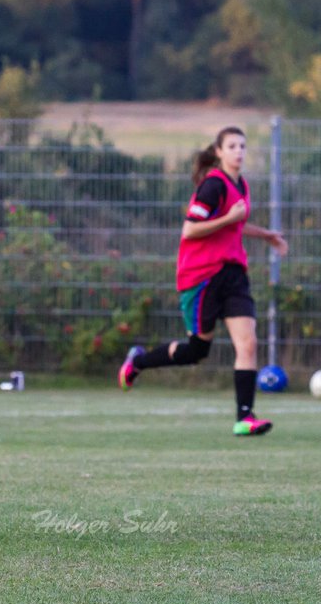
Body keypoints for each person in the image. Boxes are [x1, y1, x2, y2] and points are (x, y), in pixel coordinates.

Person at [117, 126, 288, 436]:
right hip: (202, 275)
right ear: (218, 152)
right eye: (232, 146)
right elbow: (192, 229)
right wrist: (230, 219)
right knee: (196, 350)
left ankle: (244, 418)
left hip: (234, 274)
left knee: (248, 343)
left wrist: (264, 235)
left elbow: (233, 225)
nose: (239, 151)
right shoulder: (213, 186)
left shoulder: (242, 185)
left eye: (243, 146)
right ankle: (139, 361)